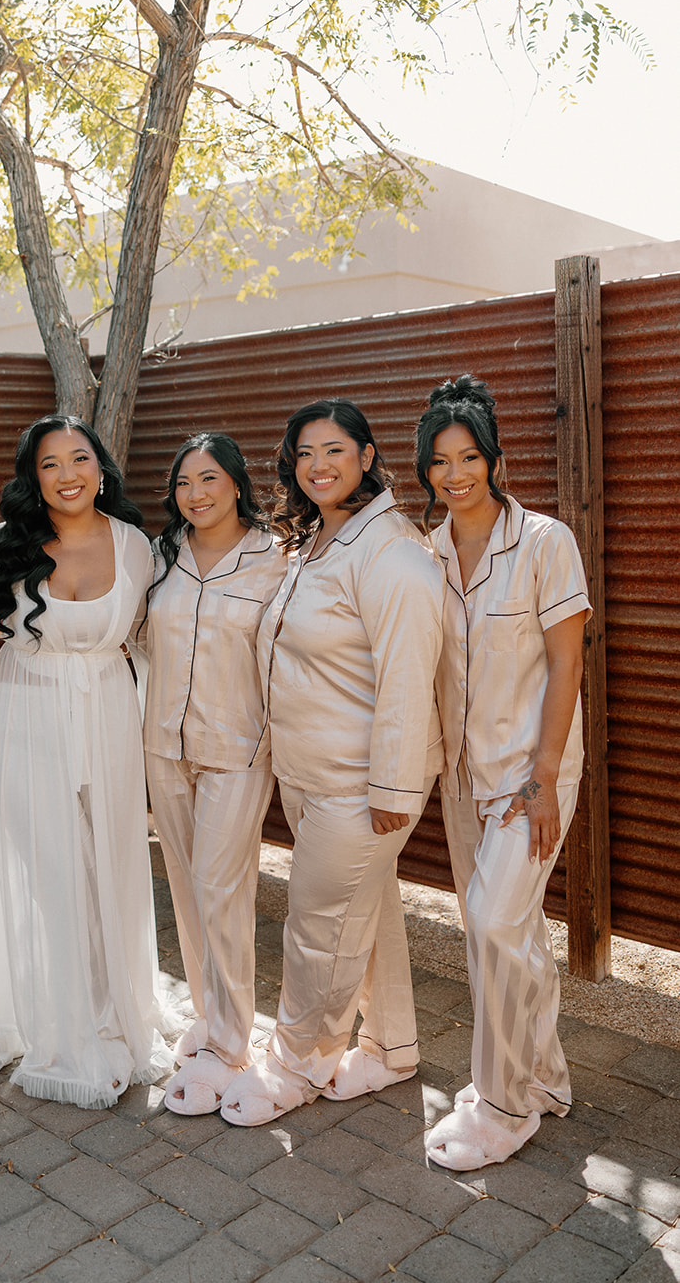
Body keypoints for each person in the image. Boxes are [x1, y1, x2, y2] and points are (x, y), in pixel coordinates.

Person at [219, 398, 444, 1126]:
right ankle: (389, 1048)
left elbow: (409, 676)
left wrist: (393, 785)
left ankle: (299, 1062)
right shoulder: (315, 541)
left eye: (334, 451)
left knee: (317, 925)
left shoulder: (393, 553)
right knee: (364, 913)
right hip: (307, 771)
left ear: (367, 458)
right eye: (305, 452)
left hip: (362, 783)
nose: (317, 465)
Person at [0, 415, 171, 1108]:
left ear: (101, 467)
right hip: (23, 710)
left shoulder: (136, 545)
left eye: (78, 458)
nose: (67, 474)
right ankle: (58, 1025)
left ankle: (117, 1009)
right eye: (49, 464)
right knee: (48, 868)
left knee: (109, 859)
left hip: (109, 711)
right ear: (32, 478)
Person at [416, 375, 590, 1171]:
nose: (455, 475)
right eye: (439, 462)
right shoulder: (426, 553)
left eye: (468, 458)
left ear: (494, 460)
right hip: (462, 770)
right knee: (507, 931)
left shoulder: (544, 542)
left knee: (492, 925)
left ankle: (504, 1104)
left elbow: (565, 664)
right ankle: (544, 1079)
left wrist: (545, 774)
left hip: (530, 771)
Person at [140, 433, 286, 1114]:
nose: (194, 495)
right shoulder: (160, 557)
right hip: (164, 744)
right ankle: (207, 1018)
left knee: (220, 888)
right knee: (185, 886)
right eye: (183, 484)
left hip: (237, 748)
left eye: (208, 480)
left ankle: (232, 1044)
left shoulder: (274, 559)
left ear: (235, 483)